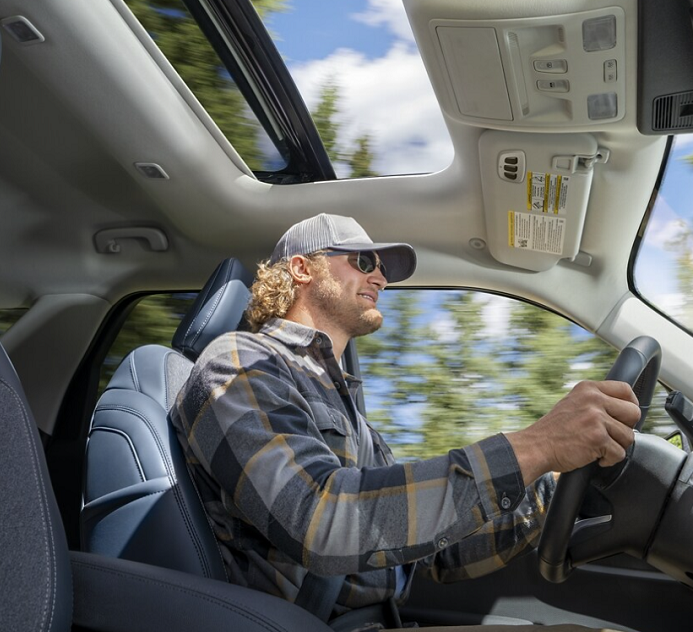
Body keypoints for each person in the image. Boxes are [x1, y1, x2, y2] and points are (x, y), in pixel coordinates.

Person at [171, 213, 641, 630]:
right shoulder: (238, 365)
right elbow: (319, 521)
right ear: (301, 268)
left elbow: (436, 551)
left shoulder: (349, 412)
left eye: (384, 268)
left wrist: (551, 485)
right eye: (364, 260)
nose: (381, 276)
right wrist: (536, 446)